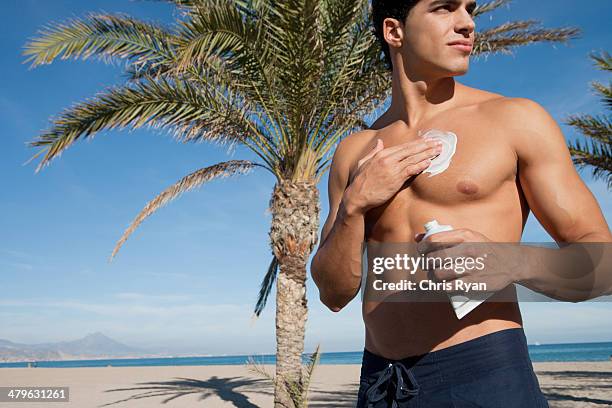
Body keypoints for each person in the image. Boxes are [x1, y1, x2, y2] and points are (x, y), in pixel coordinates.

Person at [309, 0, 612, 407]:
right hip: (380, 381)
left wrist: (513, 262)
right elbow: (333, 293)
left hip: (482, 373)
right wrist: (354, 206)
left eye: (470, 9)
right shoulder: (355, 151)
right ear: (394, 31)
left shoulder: (513, 120)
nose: (467, 23)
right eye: (444, 8)